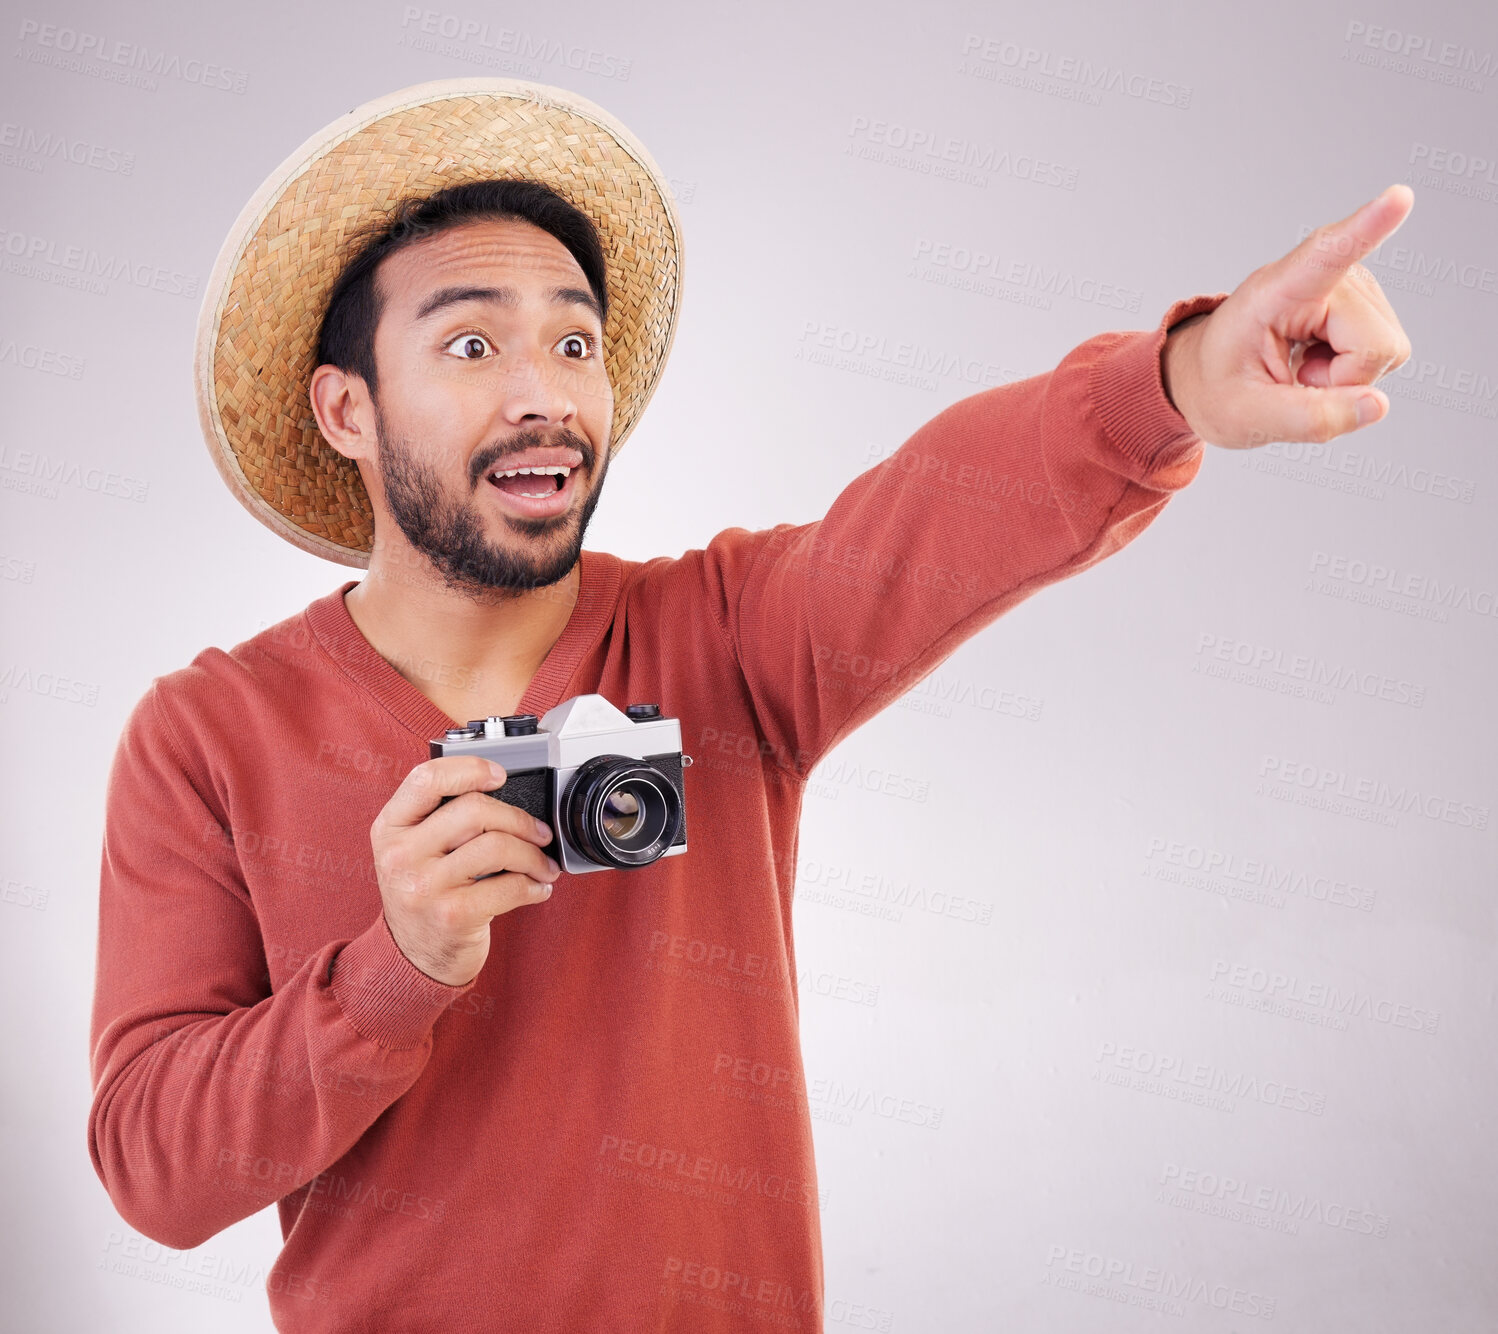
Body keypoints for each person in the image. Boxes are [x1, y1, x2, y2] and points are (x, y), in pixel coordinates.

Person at [88, 77, 1412, 1333]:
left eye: (573, 339)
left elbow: (928, 518)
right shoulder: (203, 734)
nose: (543, 389)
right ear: (347, 409)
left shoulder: (725, 640)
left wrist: (1172, 381)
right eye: (473, 342)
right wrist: (396, 968)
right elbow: (155, 1167)